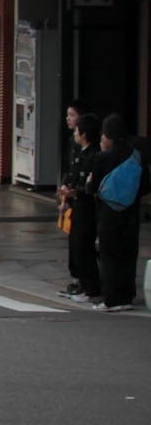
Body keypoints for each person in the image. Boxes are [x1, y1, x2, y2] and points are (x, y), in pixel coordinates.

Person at [87, 113, 146, 312]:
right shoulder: (137, 156)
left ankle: (111, 299)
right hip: (131, 213)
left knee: (109, 255)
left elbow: (92, 187)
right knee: (128, 255)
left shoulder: (102, 158)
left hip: (109, 213)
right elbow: (146, 185)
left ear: (109, 136)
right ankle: (127, 296)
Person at [60, 112, 103, 304]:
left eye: (77, 130)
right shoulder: (80, 153)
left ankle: (91, 287)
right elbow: (72, 175)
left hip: (88, 207)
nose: (75, 133)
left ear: (84, 133)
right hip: (77, 206)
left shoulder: (94, 156)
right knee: (76, 245)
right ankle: (81, 284)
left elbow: (89, 185)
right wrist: (65, 189)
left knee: (85, 246)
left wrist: (74, 192)